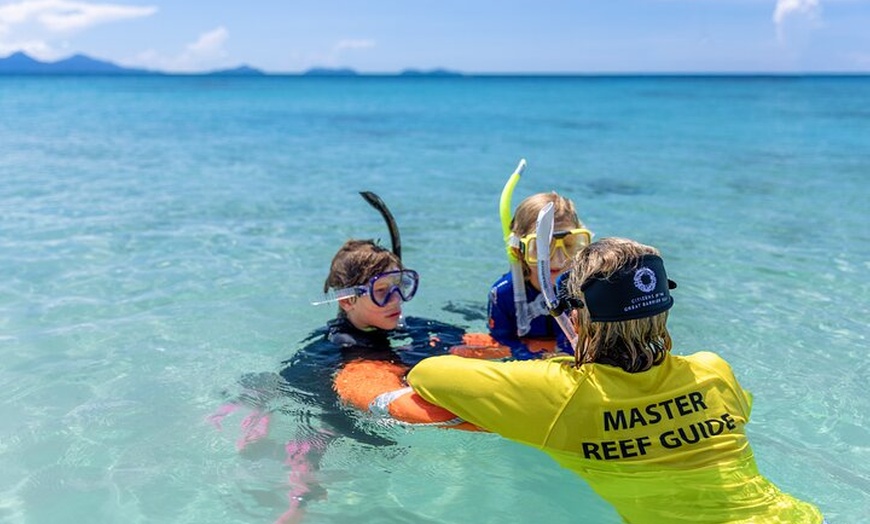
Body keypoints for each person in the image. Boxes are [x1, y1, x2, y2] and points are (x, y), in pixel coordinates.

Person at [409, 237, 824, 523]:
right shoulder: (713, 371)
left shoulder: (557, 393)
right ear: (664, 309)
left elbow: (428, 373)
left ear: (574, 315)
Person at [488, 191, 592, 359]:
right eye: (543, 247)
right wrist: (533, 358)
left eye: (569, 245)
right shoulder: (502, 294)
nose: (559, 259)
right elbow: (503, 341)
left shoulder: (583, 291)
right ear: (518, 250)